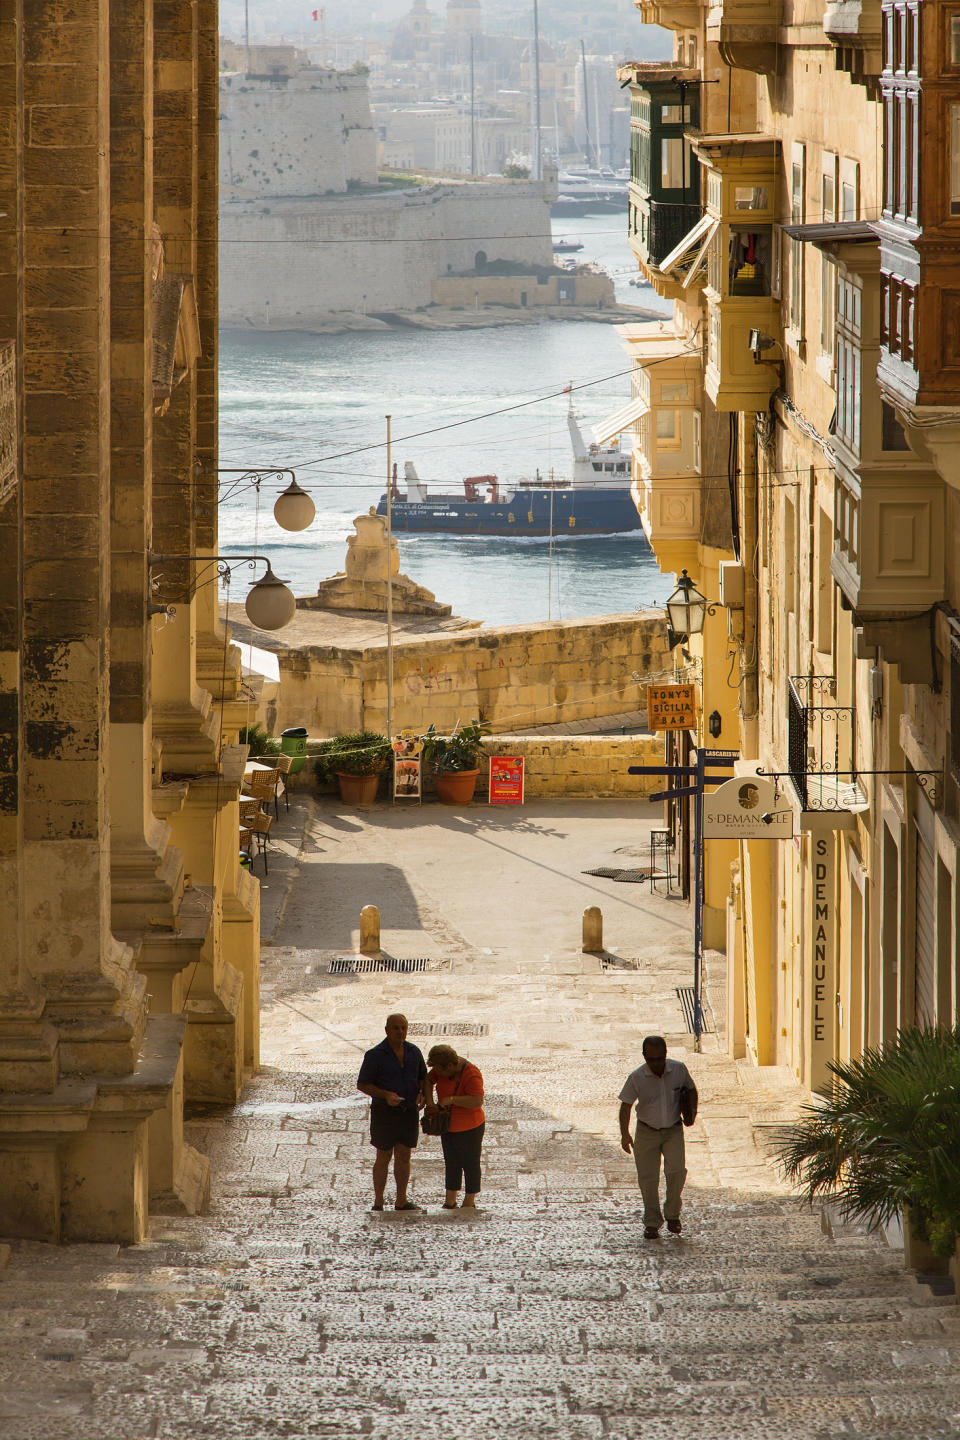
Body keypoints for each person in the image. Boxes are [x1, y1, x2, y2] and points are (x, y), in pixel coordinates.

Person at [618, 1035, 698, 1239]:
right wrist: (625, 1134)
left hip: (672, 1129)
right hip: (646, 1131)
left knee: (677, 1171)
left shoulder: (678, 1070)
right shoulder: (637, 1077)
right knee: (648, 1178)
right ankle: (652, 1222)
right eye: (651, 1060)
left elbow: (691, 1089)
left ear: (665, 1055)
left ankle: (672, 1214)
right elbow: (626, 1105)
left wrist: (692, 1113)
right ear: (644, 1057)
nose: (656, 1064)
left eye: (660, 1058)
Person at [357, 1013, 427, 1212]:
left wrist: (423, 1095)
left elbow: (423, 1078)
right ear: (387, 1030)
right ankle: (378, 1202)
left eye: (403, 1028)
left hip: (408, 1112)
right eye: (396, 1028)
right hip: (384, 1113)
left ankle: (401, 1200)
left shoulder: (414, 1052)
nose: (400, 1032)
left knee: (404, 1155)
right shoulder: (375, 1055)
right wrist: (385, 1094)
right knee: (384, 1155)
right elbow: (363, 1084)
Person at [424, 1044, 485, 1210]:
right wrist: (430, 1103)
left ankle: (469, 1201)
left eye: (440, 1070)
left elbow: (476, 1100)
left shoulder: (471, 1074)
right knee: (451, 1162)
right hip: (448, 1126)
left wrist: (452, 1100)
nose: (438, 1073)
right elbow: (428, 1081)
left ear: (450, 1066)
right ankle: (450, 1200)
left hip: (470, 1127)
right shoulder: (440, 1069)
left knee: (470, 1163)